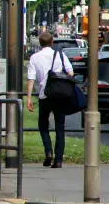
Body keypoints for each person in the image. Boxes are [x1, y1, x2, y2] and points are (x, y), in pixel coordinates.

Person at [26, 31, 74, 168]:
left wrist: (29, 98)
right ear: (52, 42)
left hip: (44, 95)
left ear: (40, 43)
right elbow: (71, 72)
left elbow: (31, 79)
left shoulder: (34, 58)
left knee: (43, 125)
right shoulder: (60, 55)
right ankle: (58, 160)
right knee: (60, 127)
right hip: (60, 96)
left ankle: (48, 151)